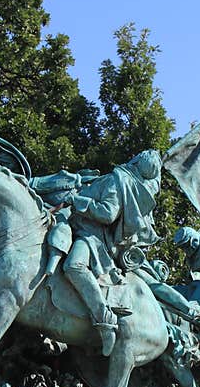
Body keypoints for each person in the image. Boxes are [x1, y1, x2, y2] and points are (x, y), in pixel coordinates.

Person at [63, 149, 163, 355]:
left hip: (90, 236)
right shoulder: (117, 179)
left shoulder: (118, 180)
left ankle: (104, 318)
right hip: (72, 225)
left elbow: (108, 213)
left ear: (135, 160)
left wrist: (80, 201)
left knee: (74, 266)